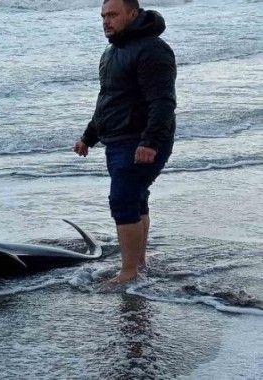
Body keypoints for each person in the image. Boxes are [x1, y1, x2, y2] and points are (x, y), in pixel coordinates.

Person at [73, 0, 177, 284]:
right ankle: (138, 265)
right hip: (118, 139)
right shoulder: (112, 51)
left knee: (123, 200)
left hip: (141, 140)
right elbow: (107, 99)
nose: (106, 21)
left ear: (133, 14)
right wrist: (88, 136)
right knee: (135, 199)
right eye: (103, 15)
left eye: (113, 14)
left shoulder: (153, 49)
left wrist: (150, 142)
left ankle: (129, 272)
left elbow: (163, 102)